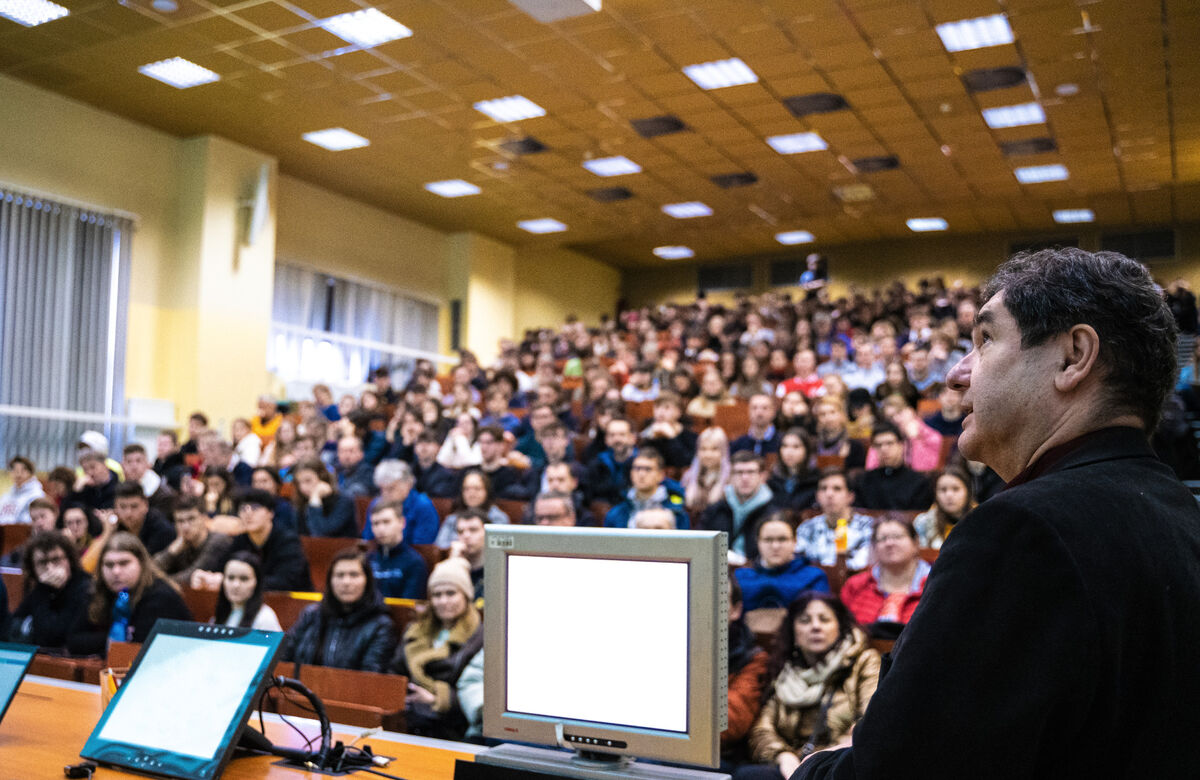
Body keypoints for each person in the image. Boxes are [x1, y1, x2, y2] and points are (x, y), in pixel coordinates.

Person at [795, 249, 1200, 778]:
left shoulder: (1021, 532)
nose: (956, 376)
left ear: (1073, 356)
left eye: (985, 340)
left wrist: (810, 768)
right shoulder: (1182, 513)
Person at [739, 593, 879, 780]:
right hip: (793, 768)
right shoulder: (786, 668)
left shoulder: (864, 661)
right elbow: (762, 729)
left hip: (838, 764)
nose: (815, 626)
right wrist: (784, 757)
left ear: (840, 626)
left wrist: (818, 761)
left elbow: (869, 725)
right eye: (805, 620)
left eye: (825, 619)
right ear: (794, 632)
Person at [391, 557, 484, 739]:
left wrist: (437, 699)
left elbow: (476, 693)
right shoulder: (415, 629)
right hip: (410, 719)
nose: (443, 601)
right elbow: (395, 670)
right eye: (437, 595)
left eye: (450, 593)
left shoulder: (480, 636)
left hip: (453, 727)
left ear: (465, 595)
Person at [67, 532, 192, 656]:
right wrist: (111, 637)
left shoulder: (161, 597)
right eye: (109, 565)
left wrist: (106, 641)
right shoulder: (97, 591)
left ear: (141, 564)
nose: (116, 571)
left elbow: (139, 649)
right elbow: (74, 642)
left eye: (124, 563)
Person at [282, 548, 396, 672]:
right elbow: (283, 656)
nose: (346, 582)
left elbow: (371, 677)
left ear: (367, 580)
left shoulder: (380, 626)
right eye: (339, 575)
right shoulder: (311, 614)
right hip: (300, 688)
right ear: (330, 581)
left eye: (354, 575)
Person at [839, 518, 930, 639]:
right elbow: (841, 630)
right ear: (874, 547)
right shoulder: (855, 585)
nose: (890, 543)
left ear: (915, 543)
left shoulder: (934, 585)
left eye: (897, 537)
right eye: (882, 539)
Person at [209, 488, 312, 592]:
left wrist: (244, 582)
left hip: (292, 602)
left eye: (255, 508)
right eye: (243, 508)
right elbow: (221, 569)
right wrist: (209, 578)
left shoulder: (288, 541)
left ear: (270, 513)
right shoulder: (241, 539)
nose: (248, 513)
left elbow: (285, 582)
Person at [8, 531, 92, 651]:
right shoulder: (40, 589)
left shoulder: (84, 587)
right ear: (33, 567)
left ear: (69, 560)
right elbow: (13, 624)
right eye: (42, 562)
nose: (50, 568)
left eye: (56, 559)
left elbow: (51, 637)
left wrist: (42, 592)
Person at [735, 515, 830, 611]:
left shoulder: (814, 577)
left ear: (794, 541)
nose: (775, 546)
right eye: (768, 540)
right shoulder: (739, 577)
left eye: (782, 539)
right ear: (758, 542)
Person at [723, 577, 770, 768]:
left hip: (718, 755)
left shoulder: (753, 659)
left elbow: (729, 724)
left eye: (716, 599)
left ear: (735, 610)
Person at [699, 452, 777, 565]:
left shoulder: (773, 514)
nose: (745, 478)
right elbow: (701, 545)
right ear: (730, 476)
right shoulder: (715, 510)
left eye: (751, 472)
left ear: (762, 476)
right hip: (718, 571)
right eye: (739, 472)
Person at [794, 470, 873, 570]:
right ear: (817, 496)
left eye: (837, 489)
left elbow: (862, 565)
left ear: (850, 497)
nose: (829, 494)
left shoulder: (868, 526)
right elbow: (797, 563)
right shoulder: (807, 527)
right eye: (823, 488)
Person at [153, 494, 234, 587]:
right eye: (180, 521)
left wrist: (155, 583)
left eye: (191, 519)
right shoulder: (180, 544)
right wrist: (171, 552)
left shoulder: (218, 541)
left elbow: (190, 577)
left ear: (204, 518)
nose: (185, 526)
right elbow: (148, 572)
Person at [853, 423, 934, 511]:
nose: (884, 449)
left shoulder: (919, 482)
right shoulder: (863, 481)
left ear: (901, 445)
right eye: (878, 445)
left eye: (889, 443)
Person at [604, 450, 688, 529]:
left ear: (661, 475)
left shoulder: (677, 512)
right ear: (631, 473)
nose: (641, 474)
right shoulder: (616, 513)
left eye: (648, 469)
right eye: (637, 468)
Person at [363, 460, 440, 547]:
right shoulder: (376, 504)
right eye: (382, 489)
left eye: (391, 489)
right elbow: (368, 539)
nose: (385, 494)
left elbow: (422, 546)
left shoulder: (423, 506)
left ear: (407, 484)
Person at [367, 500, 428, 600]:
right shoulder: (368, 560)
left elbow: (408, 607)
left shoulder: (415, 563)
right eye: (375, 523)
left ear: (402, 522)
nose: (380, 529)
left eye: (386, 522)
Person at [435, 469, 509, 548]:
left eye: (477, 489)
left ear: (487, 491)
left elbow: (502, 546)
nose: (471, 494)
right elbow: (440, 545)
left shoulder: (498, 518)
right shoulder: (452, 519)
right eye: (467, 489)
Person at [212, 551, 282, 631]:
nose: (236, 585)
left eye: (244, 579)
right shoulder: (218, 616)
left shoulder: (265, 617)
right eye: (231, 578)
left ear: (256, 582)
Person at [912, 468, 975, 550]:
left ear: (968, 492)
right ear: (935, 494)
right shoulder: (923, 523)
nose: (949, 495)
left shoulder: (981, 520)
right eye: (943, 490)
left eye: (956, 489)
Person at [293, 459, 358, 538]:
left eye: (308, 481)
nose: (303, 488)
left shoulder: (344, 501)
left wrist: (315, 502)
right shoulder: (301, 501)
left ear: (322, 477)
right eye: (299, 482)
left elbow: (321, 534)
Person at [681, 426, 731, 515]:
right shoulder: (688, 477)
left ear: (723, 451)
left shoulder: (730, 478)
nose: (708, 454)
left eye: (714, 449)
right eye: (703, 449)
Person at [768, 429, 819, 511]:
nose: (789, 452)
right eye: (785, 446)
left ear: (807, 450)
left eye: (796, 447)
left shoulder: (816, 481)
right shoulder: (772, 480)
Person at [448, 509, 487, 602]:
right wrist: (453, 564)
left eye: (473, 530)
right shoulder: (454, 564)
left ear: (488, 534)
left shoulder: (497, 569)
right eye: (460, 532)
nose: (466, 536)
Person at [0, 456, 45, 525]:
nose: (18, 474)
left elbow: (34, 520)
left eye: (23, 470)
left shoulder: (36, 495)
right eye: (14, 470)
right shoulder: (6, 496)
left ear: (31, 473)